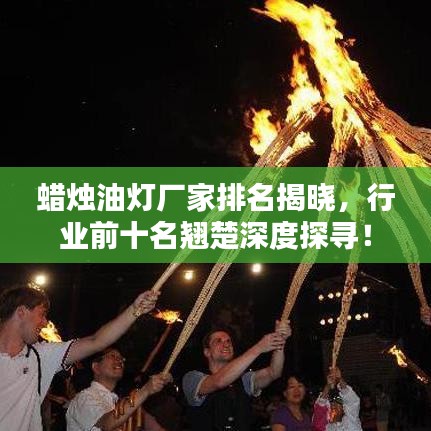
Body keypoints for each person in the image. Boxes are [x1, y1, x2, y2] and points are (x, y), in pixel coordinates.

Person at [0, 284, 160, 431]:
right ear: (21, 312)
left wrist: (134, 310)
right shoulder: (86, 399)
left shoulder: (40, 356)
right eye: (41, 315)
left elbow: (97, 341)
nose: (45, 322)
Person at [182, 320, 291, 431]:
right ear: (207, 352)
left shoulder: (244, 380)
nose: (226, 344)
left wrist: (280, 341)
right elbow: (219, 382)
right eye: (218, 341)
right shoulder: (192, 378)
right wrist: (259, 347)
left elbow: (274, 372)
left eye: (228, 341)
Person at [66, 346, 171, 431]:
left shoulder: (120, 402)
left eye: (121, 358)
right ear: (96, 367)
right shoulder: (83, 398)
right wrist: (146, 390)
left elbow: (154, 428)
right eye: (112, 356)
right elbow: (108, 424)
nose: (120, 360)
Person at [312, 367, 362, 431]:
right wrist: (328, 386)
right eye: (331, 403)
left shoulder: (351, 422)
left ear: (344, 409)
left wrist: (339, 379)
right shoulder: (326, 428)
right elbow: (319, 408)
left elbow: (352, 401)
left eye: (338, 402)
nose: (334, 405)